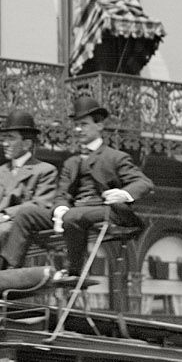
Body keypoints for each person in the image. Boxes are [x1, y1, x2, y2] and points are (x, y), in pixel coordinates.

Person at [53, 95, 152, 280]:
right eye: (76, 125)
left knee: (73, 216)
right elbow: (62, 194)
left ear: (99, 125)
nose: (78, 129)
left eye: (84, 124)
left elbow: (144, 183)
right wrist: (60, 209)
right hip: (75, 211)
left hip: (106, 210)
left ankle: (73, 272)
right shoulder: (71, 162)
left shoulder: (115, 157)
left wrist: (124, 194)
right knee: (30, 214)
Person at [0, 111, 65, 270]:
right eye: (4, 138)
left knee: (1, 233)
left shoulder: (45, 170)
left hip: (19, 228)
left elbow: (41, 204)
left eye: (11, 138)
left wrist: (6, 215)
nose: (5, 143)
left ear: (26, 144)